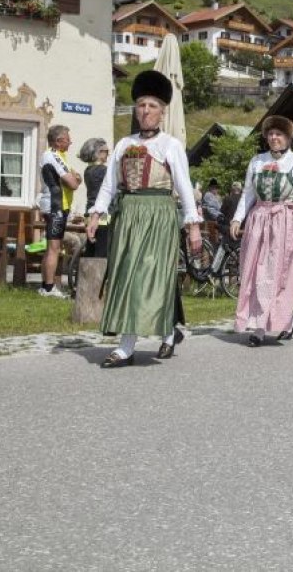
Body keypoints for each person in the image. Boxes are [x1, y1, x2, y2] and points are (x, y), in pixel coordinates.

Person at [86, 70, 202, 366]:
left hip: (158, 215)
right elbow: (110, 183)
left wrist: (192, 226)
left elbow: (185, 187)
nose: (145, 111)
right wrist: (96, 213)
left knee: (151, 275)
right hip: (128, 215)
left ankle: (142, 340)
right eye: (140, 105)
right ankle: (156, 335)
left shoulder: (171, 145)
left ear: (162, 112)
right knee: (126, 277)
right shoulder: (124, 144)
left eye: (151, 106)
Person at [230, 116, 293, 347]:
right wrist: (238, 218)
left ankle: (282, 320)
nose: (274, 138)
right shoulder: (257, 161)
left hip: (287, 222)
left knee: (281, 274)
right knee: (255, 271)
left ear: (289, 137)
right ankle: (261, 326)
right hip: (259, 220)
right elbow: (248, 193)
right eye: (270, 134)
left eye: (279, 134)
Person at [38, 124, 81, 297]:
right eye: (68, 139)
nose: (71, 142)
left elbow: (77, 177)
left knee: (52, 247)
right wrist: (75, 180)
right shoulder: (53, 156)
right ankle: (49, 288)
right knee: (54, 248)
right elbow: (73, 182)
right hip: (55, 205)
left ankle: (45, 286)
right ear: (58, 141)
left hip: (59, 205)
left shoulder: (60, 156)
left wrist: (76, 179)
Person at [77, 137, 109, 257]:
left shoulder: (88, 170)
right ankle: (98, 275)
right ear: (98, 152)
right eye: (106, 151)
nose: (107, 154)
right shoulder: (103, 170)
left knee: (91, 246)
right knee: (102, 247)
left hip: (88, 210)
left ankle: (88, 274)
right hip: (102, 212)